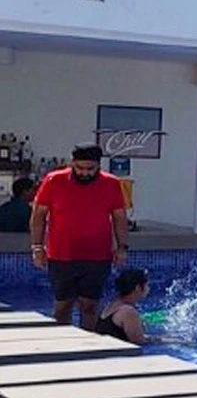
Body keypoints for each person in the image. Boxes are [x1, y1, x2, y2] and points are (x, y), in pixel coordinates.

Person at [29, 146, 128, 331]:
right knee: (62, 306)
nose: (85, 173)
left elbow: (119, 217)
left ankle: (87, 343)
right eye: (80, 168)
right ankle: (62, 342)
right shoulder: (54, 180)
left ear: (98, 165)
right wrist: (37, 247)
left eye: (90, 169)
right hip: (61, 255)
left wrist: (122, 247)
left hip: (98, 255)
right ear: (72, 163)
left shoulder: (111, 183)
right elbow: (38, 215)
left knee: (90, 306)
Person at [96, 268, 154, 345]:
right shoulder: (128, 312)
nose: (149, 288)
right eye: (147, 285)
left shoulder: (113, 304)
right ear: (137, 288)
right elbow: (139, 342)